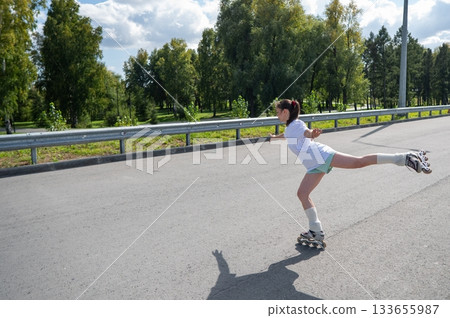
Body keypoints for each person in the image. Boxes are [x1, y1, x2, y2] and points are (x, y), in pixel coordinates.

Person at [269, 99, 431, 245]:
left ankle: (404, 158)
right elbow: (289, 135)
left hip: (321, 156)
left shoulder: (297, 124)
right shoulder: (290, 127)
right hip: (313, 165)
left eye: (278, 112)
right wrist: (276, 137)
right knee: (302, 194)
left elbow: (306, 132)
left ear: (285, 112)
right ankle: (315, 230)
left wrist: (313, 134)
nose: (277, 116)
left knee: (358, 162)